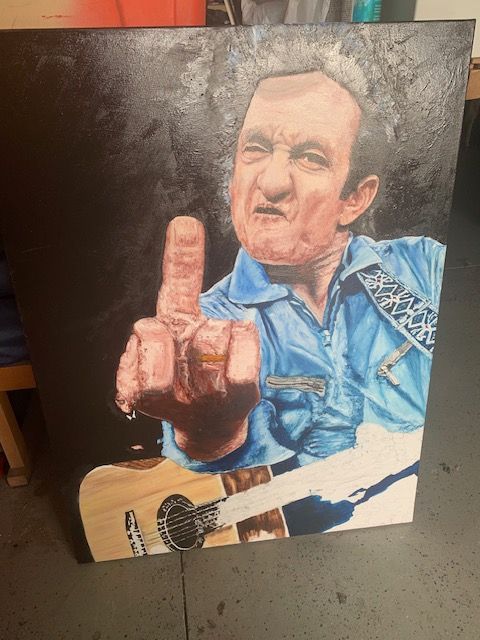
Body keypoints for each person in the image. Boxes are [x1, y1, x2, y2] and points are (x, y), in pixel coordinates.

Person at [115, 69, 444, 533]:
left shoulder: (424, 268)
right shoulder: (203, 330)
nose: (270, 183)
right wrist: (209, 436)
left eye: (310, 157)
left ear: (354, 198)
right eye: (255, 148)